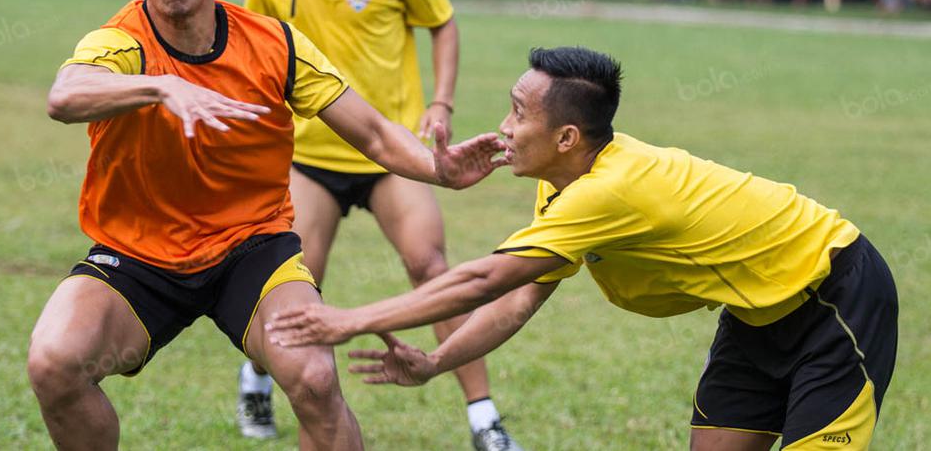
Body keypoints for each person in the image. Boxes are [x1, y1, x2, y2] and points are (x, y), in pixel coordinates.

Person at [27, 0, 506, 451]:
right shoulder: (122, 42)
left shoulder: (274, 44)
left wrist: (441, 170)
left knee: (314, 378)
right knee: (54, 363)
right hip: (138, 254)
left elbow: (376, 134)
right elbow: (64, 96)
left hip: (250, 247)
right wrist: (160, 90)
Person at [268, 46, 899, 451]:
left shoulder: (609, 191)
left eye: (518, 114)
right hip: (756, 316)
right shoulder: (560, 183)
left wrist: (350, 320)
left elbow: (482, 280)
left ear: (568, 135)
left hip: (834, 299)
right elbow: (515, 303)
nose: (504, 127)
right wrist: (438, 363)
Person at [241, 0, 521, 451]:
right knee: (294, 284)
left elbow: (442, 23)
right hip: (310, 159)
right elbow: (257, 63)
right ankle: (256, 377)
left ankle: (484, 420)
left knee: (431, 267)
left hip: (392, 153)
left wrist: (440, 101)